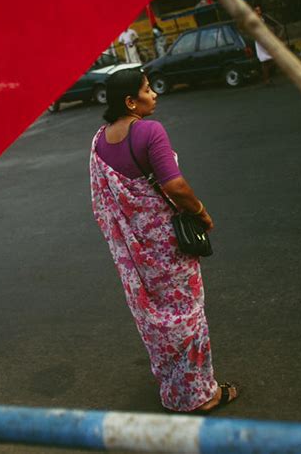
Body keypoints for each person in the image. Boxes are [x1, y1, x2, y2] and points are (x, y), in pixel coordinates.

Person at [89, 68, 238, 413]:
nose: (154, 94)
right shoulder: (149, 131)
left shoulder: (98, 141)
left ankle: (174, 389)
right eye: (146, 90)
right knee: (187, 313)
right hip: (167, 246)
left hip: (135, 252)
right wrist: (201, 212)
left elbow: (102, 202)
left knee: (156, 316)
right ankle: (202, 395)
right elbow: (174, 186)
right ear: (130, 101)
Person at [253, 5, 284, 85]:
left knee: (268, 60)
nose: (259, 12)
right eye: (257, 10)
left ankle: (266, 78)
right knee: (266, 60)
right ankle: (266, 79)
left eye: (259, 10)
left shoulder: (261, 18)